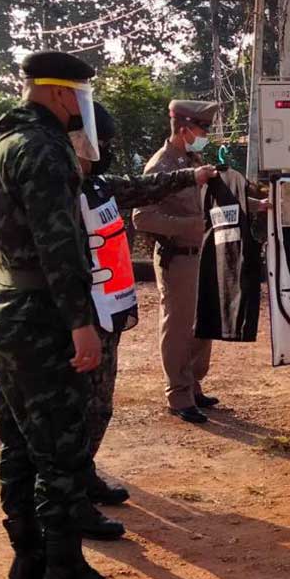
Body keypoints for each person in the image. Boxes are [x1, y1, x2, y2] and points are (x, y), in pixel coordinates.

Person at [0, 50, 132, 579]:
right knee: (60, 452)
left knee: (16, 444)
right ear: (63, 95)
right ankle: (65, 574)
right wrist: (81, 324)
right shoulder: (44, 149)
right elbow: (59, 248)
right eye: (79, 97)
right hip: (40, 313)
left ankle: (27, 559)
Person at [72, 100, 204, 539]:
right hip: (82, 311)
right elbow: (145, 212)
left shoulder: (100, 184)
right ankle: (69, 497)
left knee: (99, 405)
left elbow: (140, 189)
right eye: (97, 143)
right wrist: (188, 226)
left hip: (106, 306)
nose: (101, 150)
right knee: (73, 409)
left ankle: (84, 475)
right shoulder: (60, 189)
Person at [131, 101, 224, 425]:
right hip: (178, 259)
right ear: (184, 129)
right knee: (179, 328)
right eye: (203, 129)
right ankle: (179, 394)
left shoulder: (192, 160)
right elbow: (142, 217)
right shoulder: (161, 167)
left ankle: (194, 384)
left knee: (203, 326)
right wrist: (190, 226)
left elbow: (212, 200)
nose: (205, 136)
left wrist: (257, 205)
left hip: (201, 256)